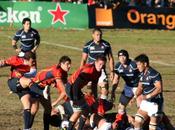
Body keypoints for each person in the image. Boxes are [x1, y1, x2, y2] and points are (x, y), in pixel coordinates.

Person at [0, 51, 47, 130]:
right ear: (26, 60)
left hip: (25, 85)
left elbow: (33, 73)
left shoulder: (33, 65)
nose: (34, 63)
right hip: (13, 82)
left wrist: (22, 74)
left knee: (34, 107)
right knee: (28, 82)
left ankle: (27, 128)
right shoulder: (16, 60)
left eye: (35, 61)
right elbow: (4, 63)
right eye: (32, 61)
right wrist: (2, 63)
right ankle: (42, 92)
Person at [65, 55, 107, 130]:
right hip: (71, 88)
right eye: (100, 64)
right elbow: (75, 85)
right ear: (95, 62)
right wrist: (75, 99)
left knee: (86, 110)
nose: (101, 67)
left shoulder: (98, 72)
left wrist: (95, 97)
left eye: (103, 65)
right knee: (79, 111)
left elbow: (94, 85)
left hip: (77, 89)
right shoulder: (88, 70)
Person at [31, 55, 71, 130]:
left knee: (48, 109)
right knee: (34, 108)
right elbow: (64, 91)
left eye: (70, 64)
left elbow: (66, 89)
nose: (69, 66)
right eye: (67, 64)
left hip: (44, 88)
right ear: (61, 64)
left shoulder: (64, 72)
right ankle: (27, 128)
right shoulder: (57, 71)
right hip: (35, 85)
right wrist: (55, 103)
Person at [80, 28, 114, 102]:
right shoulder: (88, 45)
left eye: (100, 35)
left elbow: (110, 58)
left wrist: (112, 71)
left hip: (101, 71)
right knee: (91, 92)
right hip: (90, 72)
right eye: (97, 35)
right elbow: (83, 59)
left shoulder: (106, 45)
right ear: (93, 35)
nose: (99, 36)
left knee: (105, 89)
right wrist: (81, 71)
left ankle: (102, 106)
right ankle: (93, 107)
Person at [111, 49, 140, 129]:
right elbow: (116, 79)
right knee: (121, 107)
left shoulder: (134, 65)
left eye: (124, 56)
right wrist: (113, 91)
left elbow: (142, 77)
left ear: (127, 57)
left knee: (140, 107)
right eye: (120, 57)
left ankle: (142, 125)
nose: (122, 58)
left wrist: (136, 94)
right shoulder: (118, 66)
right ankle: (122, 123)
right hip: (128, 87)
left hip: (138, 87)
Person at [134, 54, 164, 130]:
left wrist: (146, 96)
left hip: (155, 103)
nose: (137, 67)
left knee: (152, 127)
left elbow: (159, 88)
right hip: (146, 102)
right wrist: (135, 97)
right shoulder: (141, 74)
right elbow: (140, 87)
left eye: (139, 65)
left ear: (145, 64)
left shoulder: (154, 74)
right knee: (137, 121)